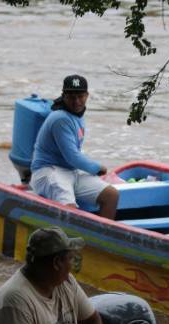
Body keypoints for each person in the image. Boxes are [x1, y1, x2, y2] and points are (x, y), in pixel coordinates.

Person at [30, 75, 119, 219]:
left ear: (87, 96)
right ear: (63, 96)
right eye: (71, 97)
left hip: (70, 171)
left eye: (80, 96)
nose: (76, 101)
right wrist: (97, 168)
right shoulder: (61, 119)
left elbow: (72, 160)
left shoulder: (77, 115)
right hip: (48, 171)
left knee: (111, 195)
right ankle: (68, 241)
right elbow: (72, 157)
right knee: (69, 208)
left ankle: (100, 238)